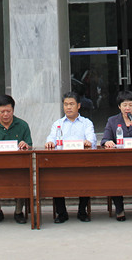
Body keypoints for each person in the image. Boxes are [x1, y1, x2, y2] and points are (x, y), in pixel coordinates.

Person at [44, 91, 96, 223]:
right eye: (66, 104)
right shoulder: (58, 123)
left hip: (82, 162)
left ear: (78, 106)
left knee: (86, 178)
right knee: (55, 179)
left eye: (71, 104)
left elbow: (92, 139)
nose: (68, 107)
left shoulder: (86, 123)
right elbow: (51, 138)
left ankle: (82, 211)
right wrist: (49, 142)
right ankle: (61, 213)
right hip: (62, 162)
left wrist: (88, 142)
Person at [0, 94, 33, 224]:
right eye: (2, 111)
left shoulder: (22, 125)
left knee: (22, 177)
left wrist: (25, 145)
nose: (5, 114)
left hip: (17, 166)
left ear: (13, 110)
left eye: (8, 111)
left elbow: (30, 146)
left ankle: (19, 212)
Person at [100, 90, 132, 221]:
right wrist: (108, 142)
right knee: (115, 178)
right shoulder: (112, 121)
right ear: (119, 107)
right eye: (124, 105)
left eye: (130, 105)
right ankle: (119, 209)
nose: (127, 108)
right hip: (118, 160)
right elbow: (104, 139)